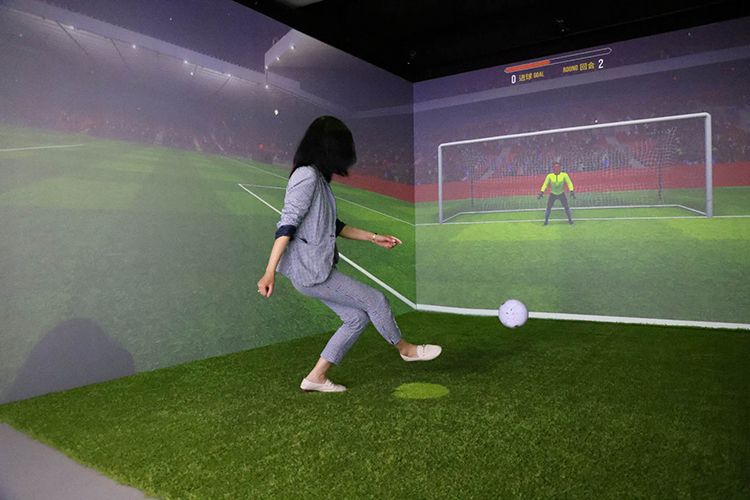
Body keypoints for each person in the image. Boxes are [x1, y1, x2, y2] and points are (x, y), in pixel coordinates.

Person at [257, 116, 442, 393]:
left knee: (356, 318)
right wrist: (269, 271)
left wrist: (374, 237)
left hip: (315, 270)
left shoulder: (319, 178)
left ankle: (316, 377)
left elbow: (334, 226)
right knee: (376, 301)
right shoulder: (306, 176)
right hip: (311, 273)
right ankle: (406, 350)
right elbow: (287, 224)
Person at [537, 161, 575, 225]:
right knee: (548, 208)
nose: (556, 169)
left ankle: (570, 220)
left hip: (561, 193)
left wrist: (571, 190)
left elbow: (569, 183)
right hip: (553, 194)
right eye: (555, 167)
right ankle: (546, 221)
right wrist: (541, 192)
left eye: (558, 167)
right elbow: (545, 184)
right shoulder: (550, 176)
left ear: (560, 168)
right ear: (553, 168)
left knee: (566, 207)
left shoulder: (564, 175)